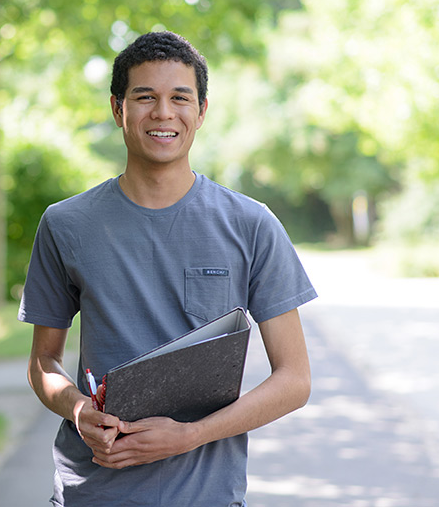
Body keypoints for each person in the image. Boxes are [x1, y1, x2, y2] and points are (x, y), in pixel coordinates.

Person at [18, 30, 316, 506]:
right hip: (90, 494)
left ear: (200, 112)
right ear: (118, 109)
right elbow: (43, 362)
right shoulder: (66, 224)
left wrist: (191, 435)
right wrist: (77, 410)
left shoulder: (251, 224)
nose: (163, 113)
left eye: (180, 97)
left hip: (207, 495)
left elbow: (294, 380)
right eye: (145, 97)